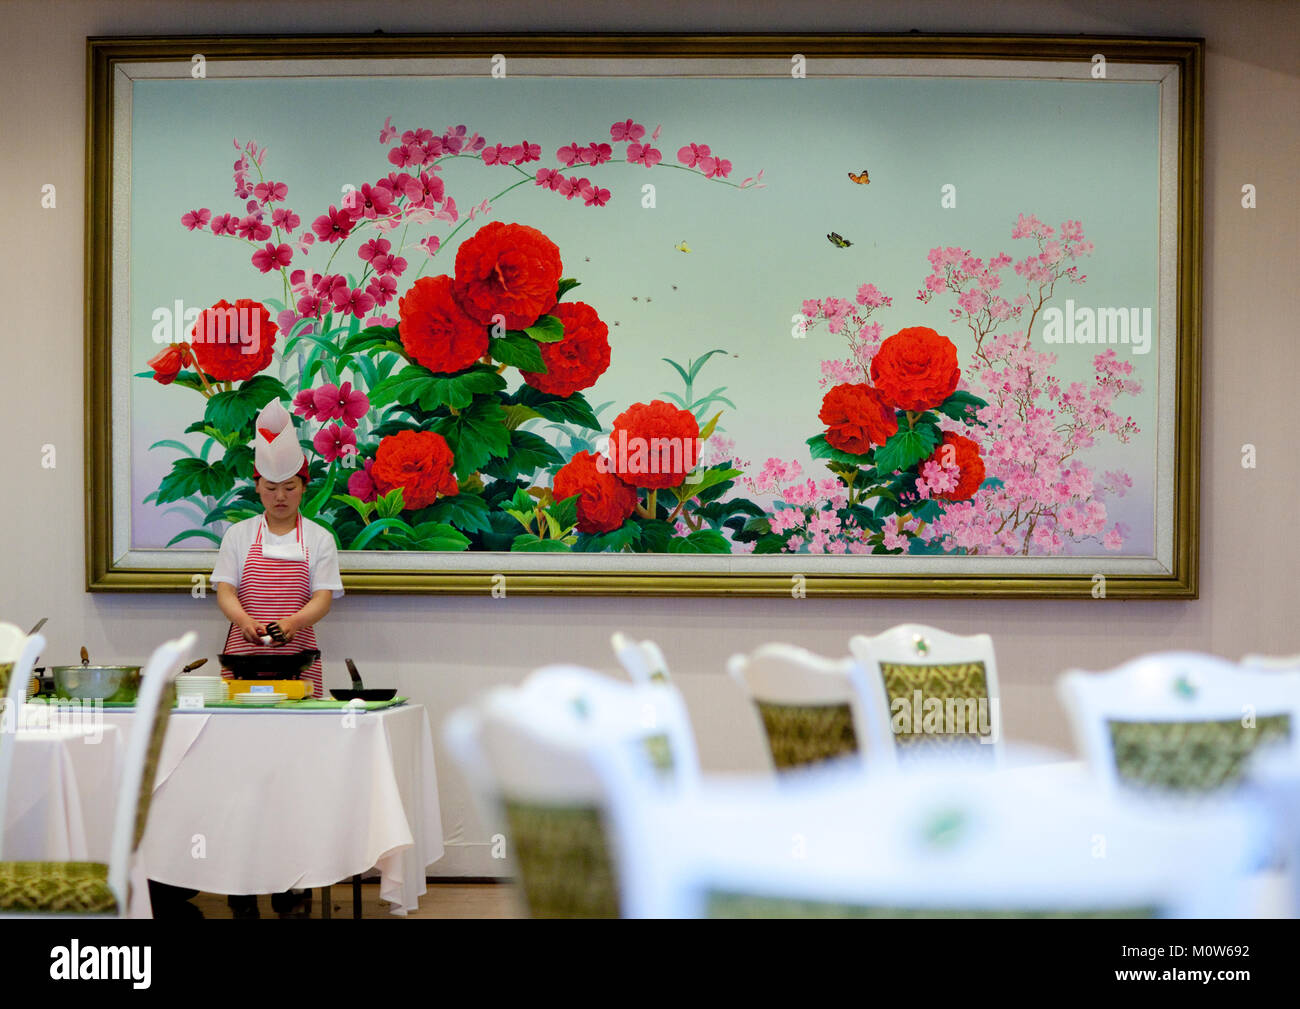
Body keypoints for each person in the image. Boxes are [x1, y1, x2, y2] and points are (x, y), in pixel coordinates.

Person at [210, 399, 344, 917]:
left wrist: (287, 626)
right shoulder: (238, 535)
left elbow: (323, 598)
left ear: (303, 487)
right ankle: (240, 883)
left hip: (298, 665)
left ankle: (294, 882)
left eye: (290, 488)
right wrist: (247, 623)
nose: (281, 497)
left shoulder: (322, 539)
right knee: (241, 775)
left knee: (295, 776)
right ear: (257, 488)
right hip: (243, 659)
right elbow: (225, 590)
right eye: (271, 489)